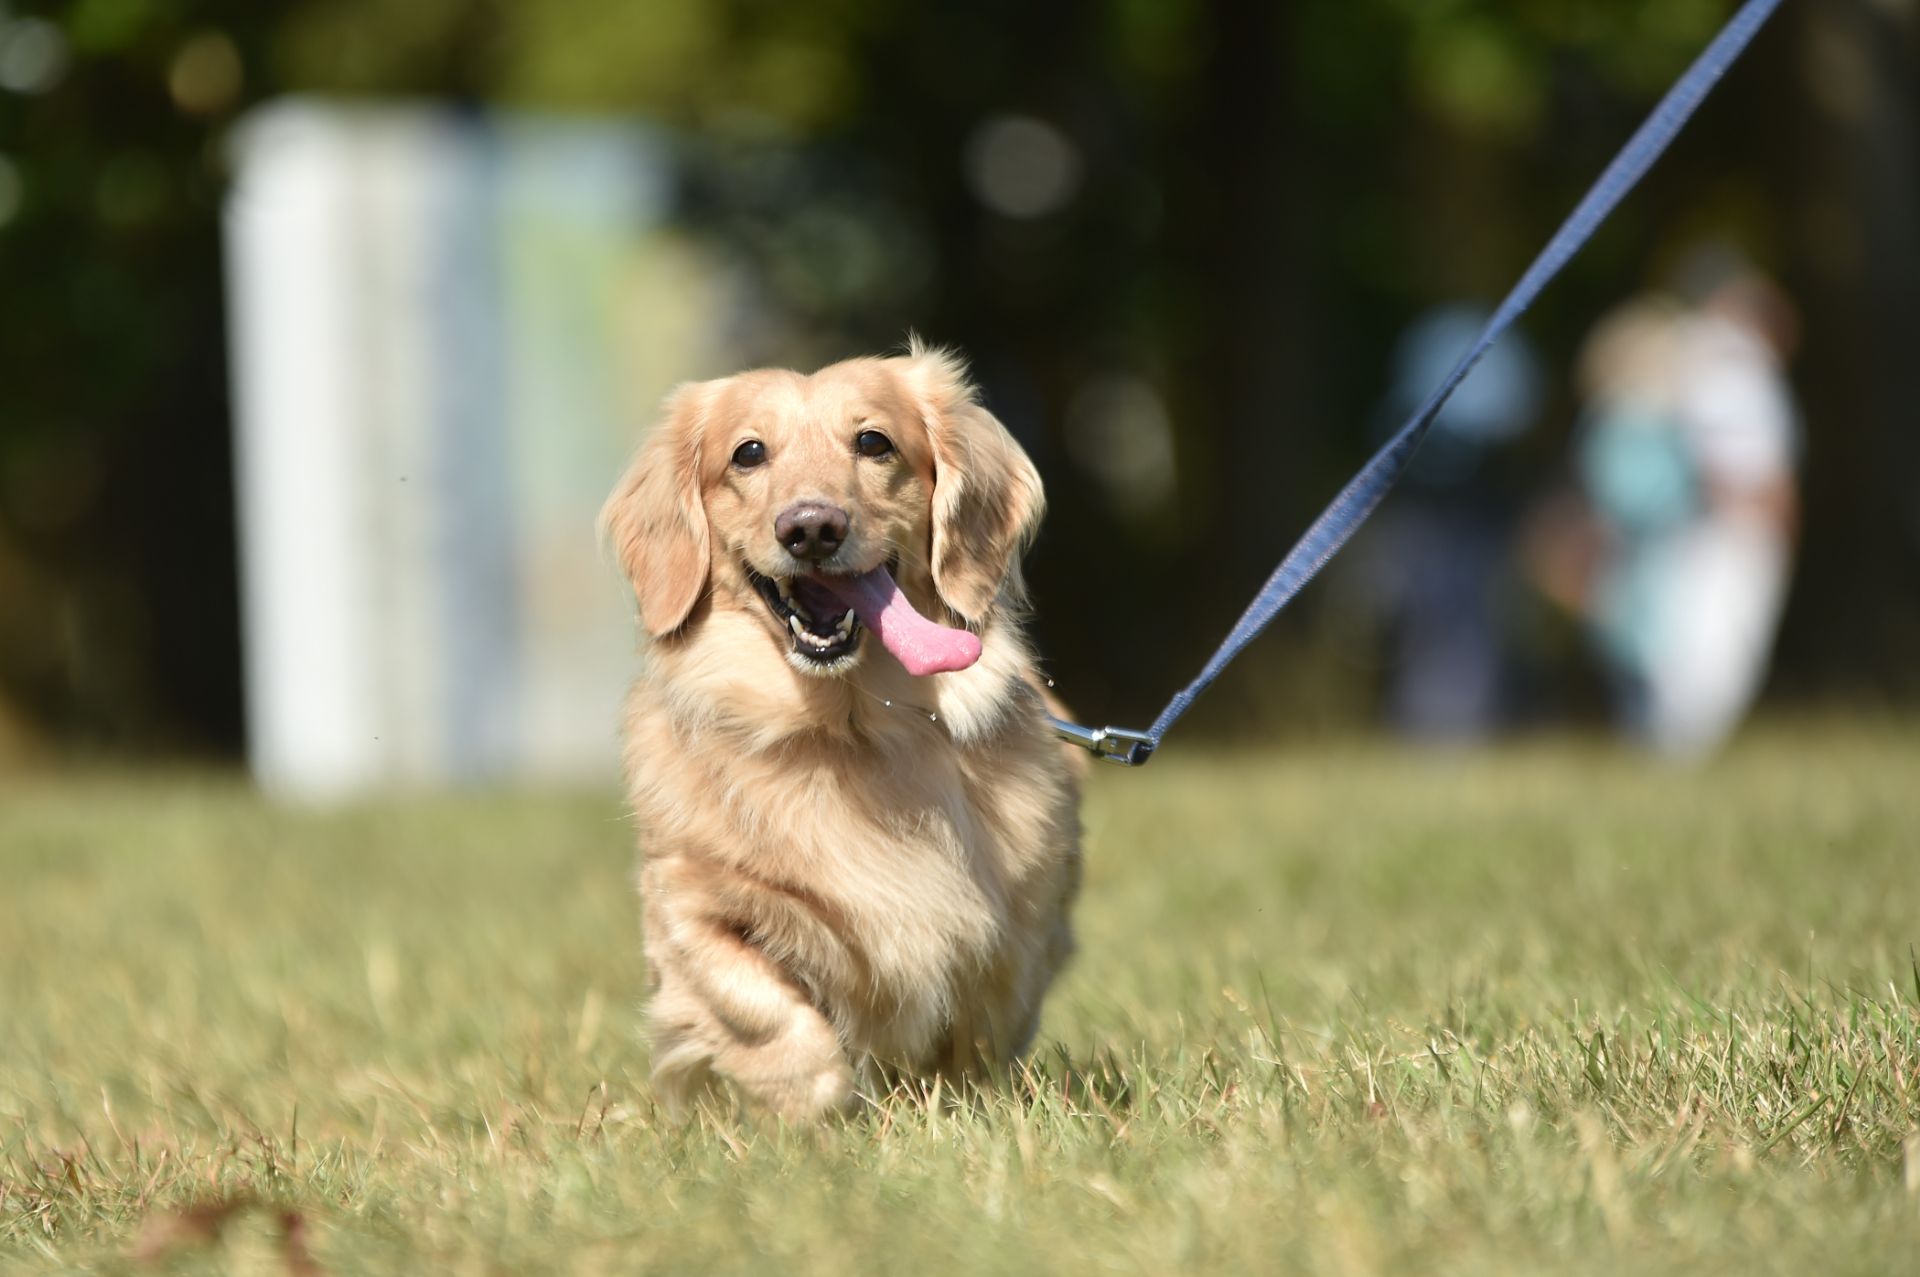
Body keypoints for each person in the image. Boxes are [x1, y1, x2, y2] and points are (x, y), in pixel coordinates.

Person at [1570, 249, 1801, 756]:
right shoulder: (1724, 362)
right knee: (1706, 660)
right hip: (1724, 531)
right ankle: (1676, 753)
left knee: (1698, 657)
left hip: (1711, 531)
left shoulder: (1710, 358)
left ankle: (1675, 751)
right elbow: (1729, 461)